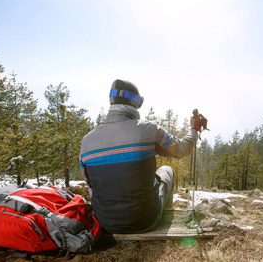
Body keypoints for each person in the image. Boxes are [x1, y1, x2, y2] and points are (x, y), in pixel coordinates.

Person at [79, 79, 198, 234]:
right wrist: (193, 130)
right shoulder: (149, 130)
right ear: (136, 103)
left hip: (105, 222)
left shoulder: (86, 141)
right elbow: (182, 149)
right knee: (167, 170)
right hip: (145, 221)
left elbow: (90, 184)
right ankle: (163, 219)